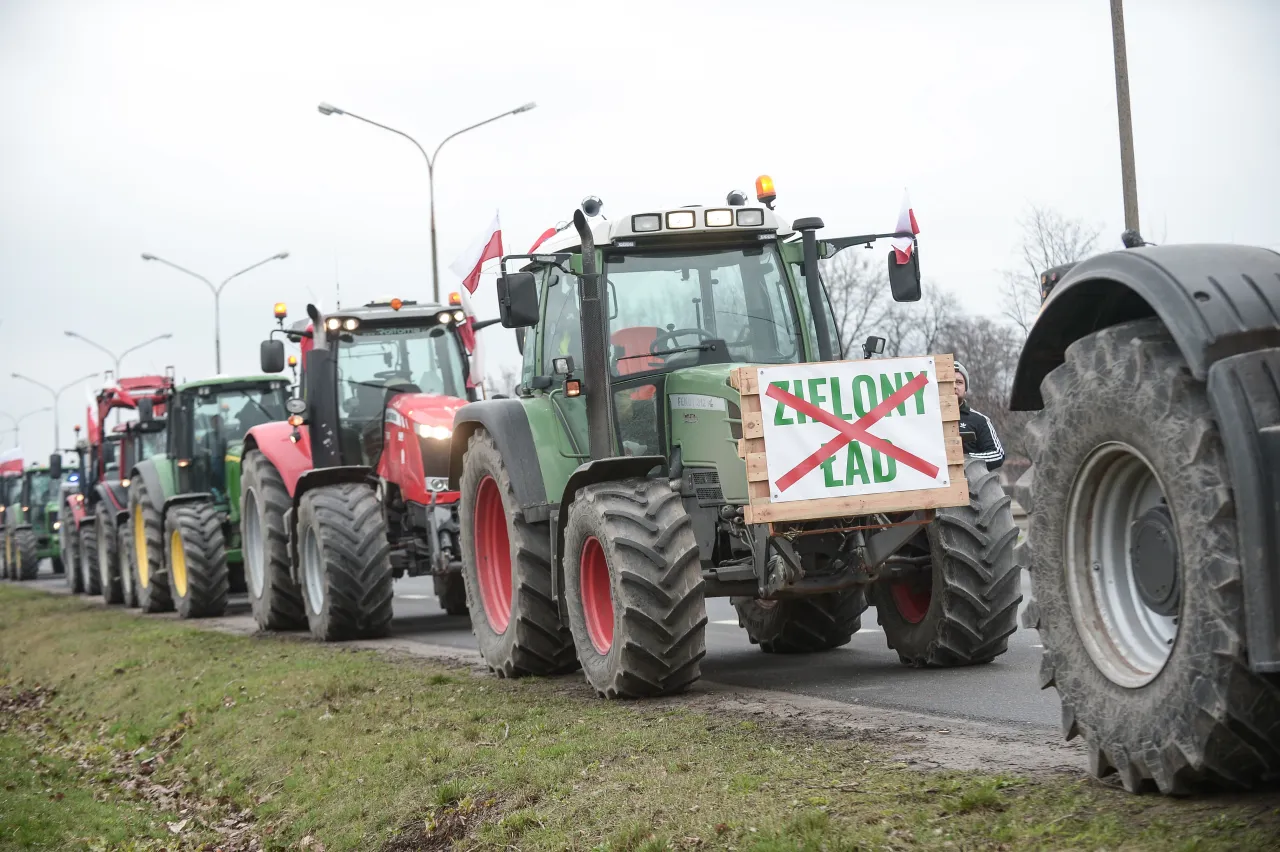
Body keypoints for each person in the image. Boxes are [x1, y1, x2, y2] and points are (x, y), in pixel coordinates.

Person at [954, 362, 1004, 470]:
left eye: (959, 382)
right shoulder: (928, 419)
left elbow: (997, 454)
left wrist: (965, 459)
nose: (954, 386)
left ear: (966, 390)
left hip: (973, 483)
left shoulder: (980, 420)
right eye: (949, 382)